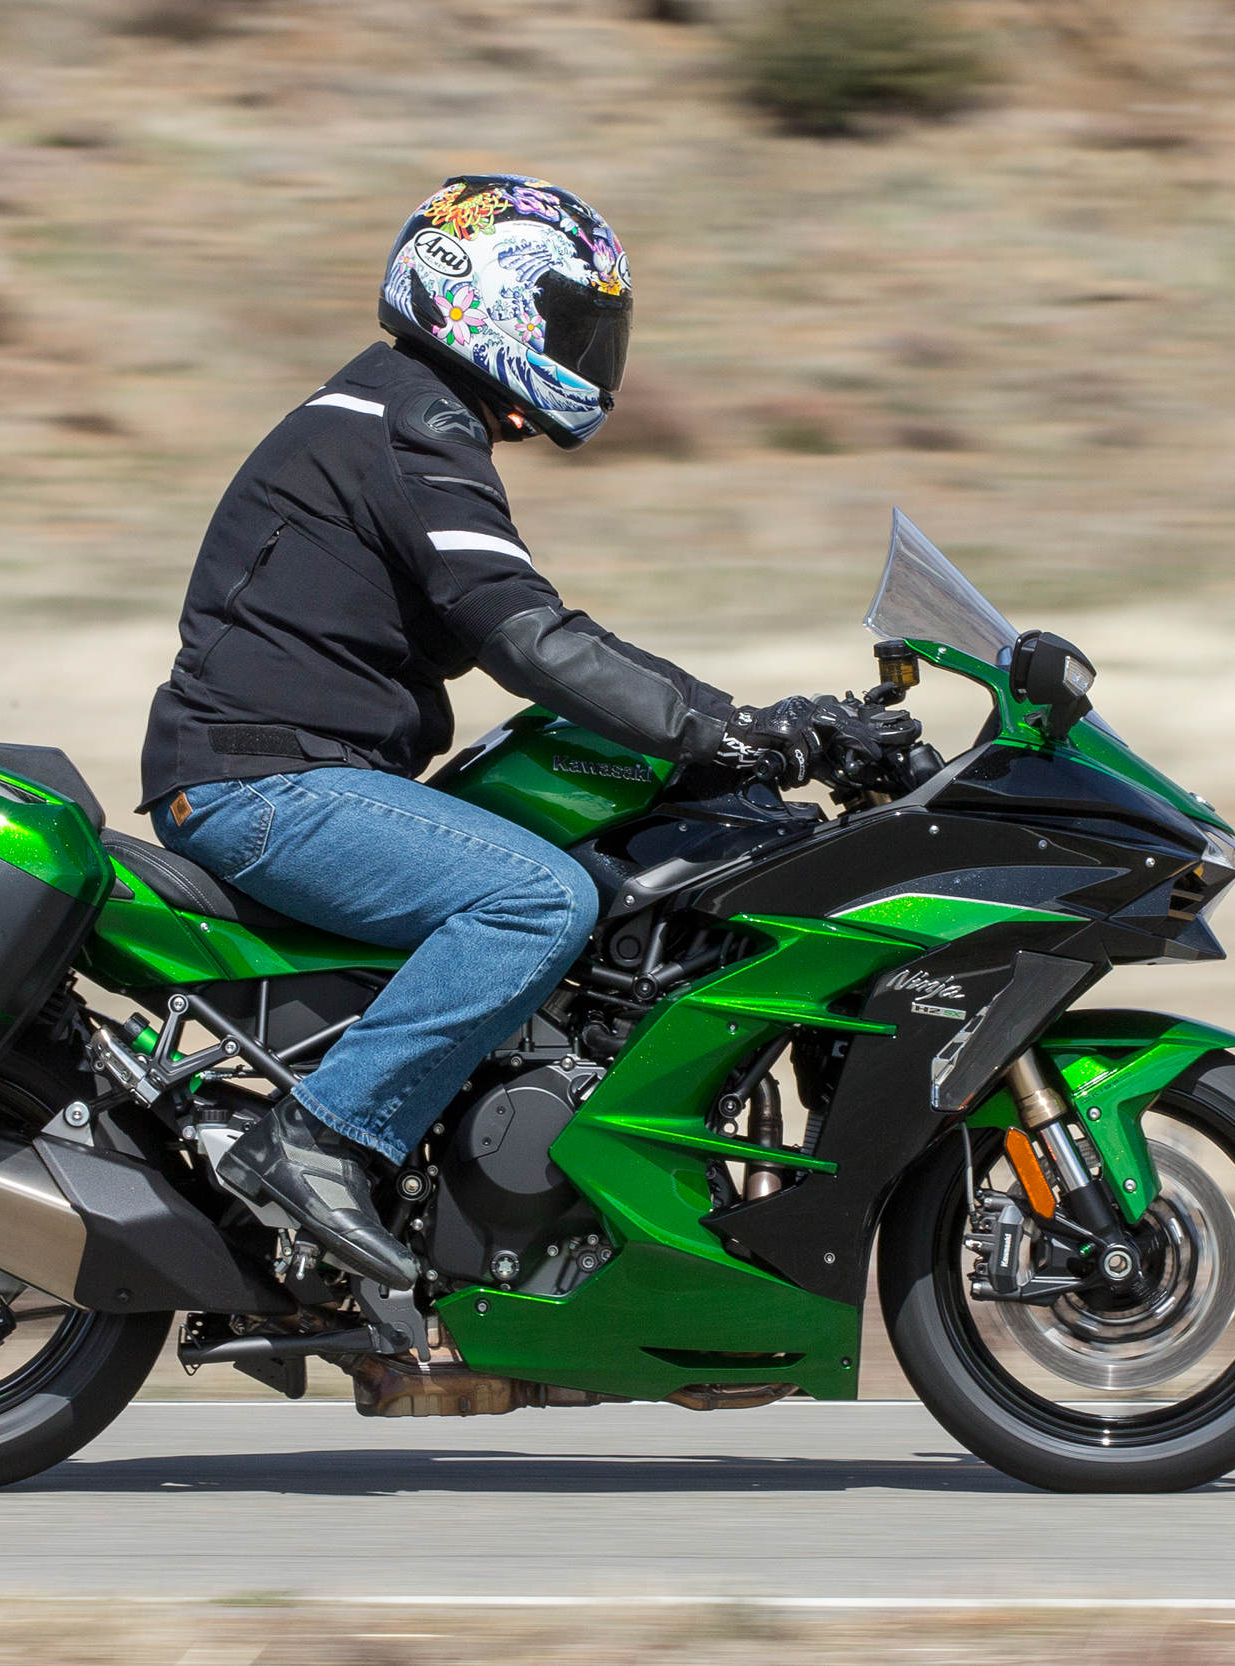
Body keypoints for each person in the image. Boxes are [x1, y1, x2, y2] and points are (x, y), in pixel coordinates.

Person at [140, 175, 869, 1289]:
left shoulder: (394, 412)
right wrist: (722, 732)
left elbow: (542, 626)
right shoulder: (407, 422)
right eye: (571, 322)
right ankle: (320, 1140)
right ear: (488, 296)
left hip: (285, 776)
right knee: (536, 899)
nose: (591, 355)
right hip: (266, 787)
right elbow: (526, 636)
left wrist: (736, 722)